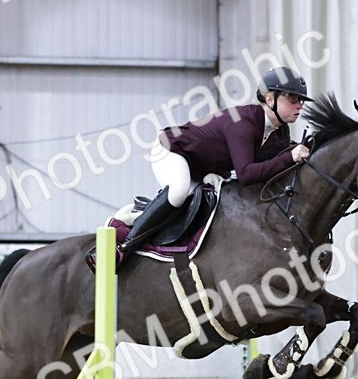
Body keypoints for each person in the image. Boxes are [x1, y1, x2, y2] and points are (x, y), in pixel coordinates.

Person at [114, 66, 313, 259]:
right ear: (270, 99)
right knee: (179, 191)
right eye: (292, 98)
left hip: (200, 168)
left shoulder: (281, 132)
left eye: (301, 100)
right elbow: (247, 174)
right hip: (171, 150)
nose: (299, 105)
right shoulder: (244, 122)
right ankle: (125, 244)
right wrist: (289, 157)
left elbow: (272, 167)